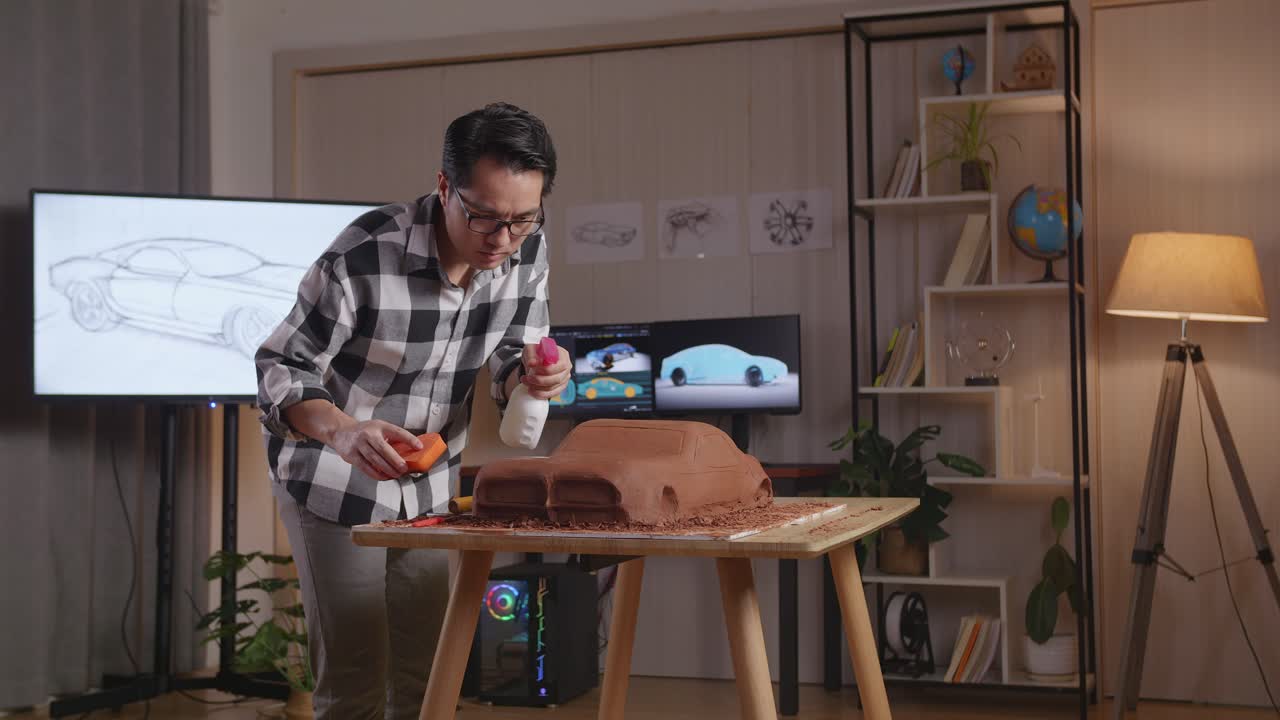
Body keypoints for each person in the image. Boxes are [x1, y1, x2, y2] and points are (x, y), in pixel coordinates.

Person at [254, 102, 570, 719]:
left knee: (428, 674)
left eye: (521, 221)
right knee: (354, 683)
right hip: (332, 480)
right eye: (482, 217)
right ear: (445, 186)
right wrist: (344, 432)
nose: (501, 241)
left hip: (429, 487)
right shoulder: (365, 255)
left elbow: (512, 351)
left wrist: (534, 374)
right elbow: (280, 368)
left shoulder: (525, 249)